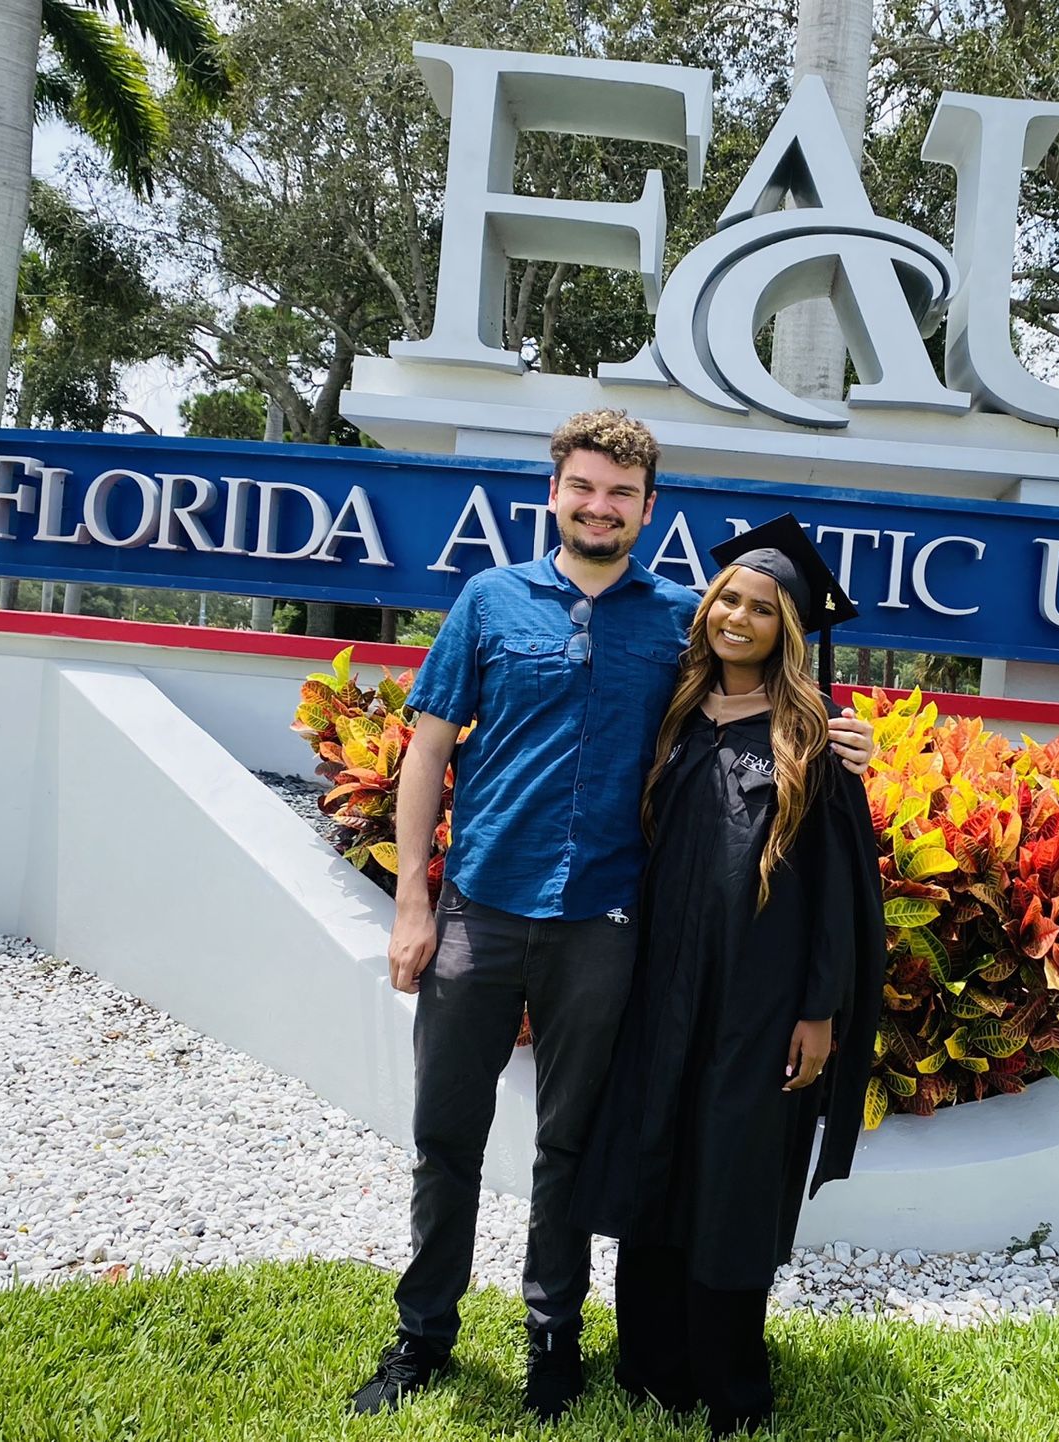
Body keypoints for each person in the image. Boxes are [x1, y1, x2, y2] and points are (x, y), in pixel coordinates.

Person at [348, 412, 874, 1421]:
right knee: (444, 1136)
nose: (599, 505)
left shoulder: (676, 615)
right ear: (554, 491)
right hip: (480, 913)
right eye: (582, 487)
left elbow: (760, 683)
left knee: (570, 1145)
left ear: (647, 507)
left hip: (602, 925)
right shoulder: (488, 600)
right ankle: (423, 1333)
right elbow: (425, 748)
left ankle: (554, 1334)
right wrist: (413, 896)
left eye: (620, 492)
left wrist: (840, 740)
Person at [573, 514, 886, 1438]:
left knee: (737, 1177)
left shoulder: (812, 740)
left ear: (788, 631)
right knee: (654, 1159)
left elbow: (838, 891)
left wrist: (820, 1010)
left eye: (760, 609)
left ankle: (732, 1381)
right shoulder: (669, 710)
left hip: (759, 999)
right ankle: (648, 1368)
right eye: (728, 600)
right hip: (660, 985)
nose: (737, 618)